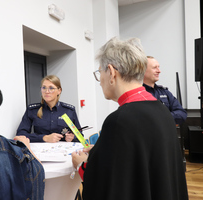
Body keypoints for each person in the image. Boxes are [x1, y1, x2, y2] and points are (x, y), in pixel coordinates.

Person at [71, 37, 188, 200]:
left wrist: (82, 164)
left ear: (111, 72)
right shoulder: (162, 110)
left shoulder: (119, 120)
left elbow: (108, 185)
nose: (100, 81)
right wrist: (101, 152)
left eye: (100, 72)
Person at [16, 75, 82, 143]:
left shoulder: (69, 110)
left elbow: (80, 137)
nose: (47, 91)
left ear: (59, 91)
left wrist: (72, 138)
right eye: (44, 88)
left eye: (51, 88)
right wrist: (44, 138)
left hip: (63, 151)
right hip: (39, 151)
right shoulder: (32, 110)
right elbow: (20, 135)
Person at [143, 56, 187, 125]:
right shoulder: (137, 93)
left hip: (166, 135)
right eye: (155, 67)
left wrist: (161, 118)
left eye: (158, 67)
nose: (159, 71)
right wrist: (169, 119)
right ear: (143, 70)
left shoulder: (165, 92)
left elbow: (181, 113)